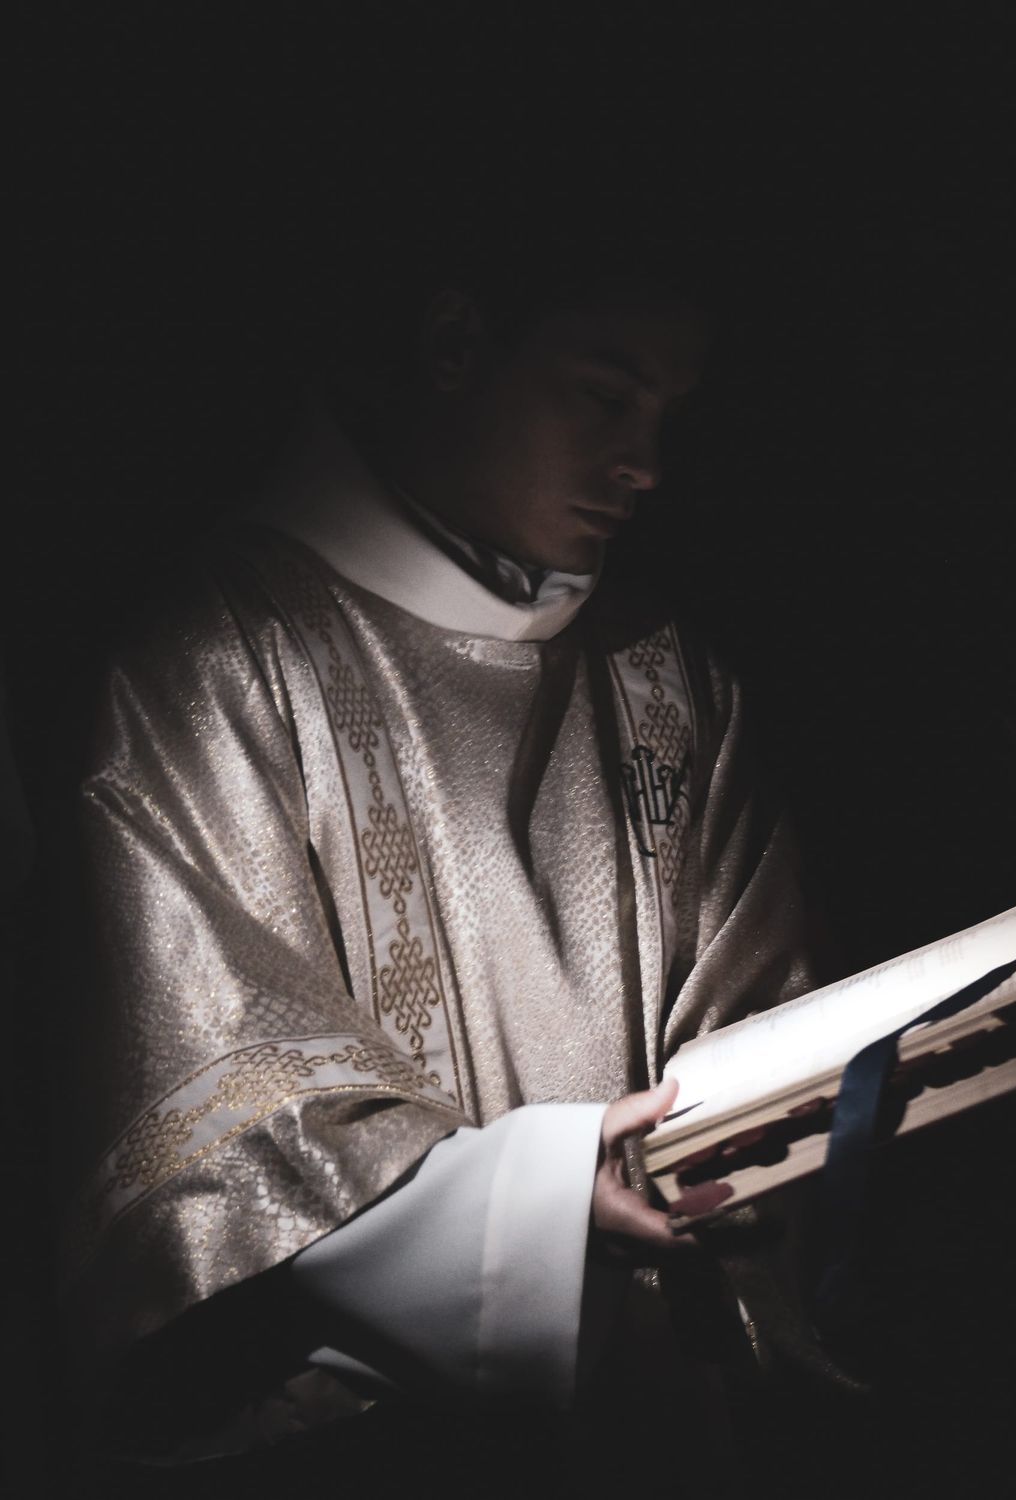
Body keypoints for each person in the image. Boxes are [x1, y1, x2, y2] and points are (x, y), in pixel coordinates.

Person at [60, 222, 818, 1494]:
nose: (646, 465)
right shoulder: (218, 659)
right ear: (458, 343)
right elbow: (214, 1086)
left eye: (670, 414)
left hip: (651, 1403)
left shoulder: (671, 678)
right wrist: (533, 1209)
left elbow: (758, 1006)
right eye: (605, 396)